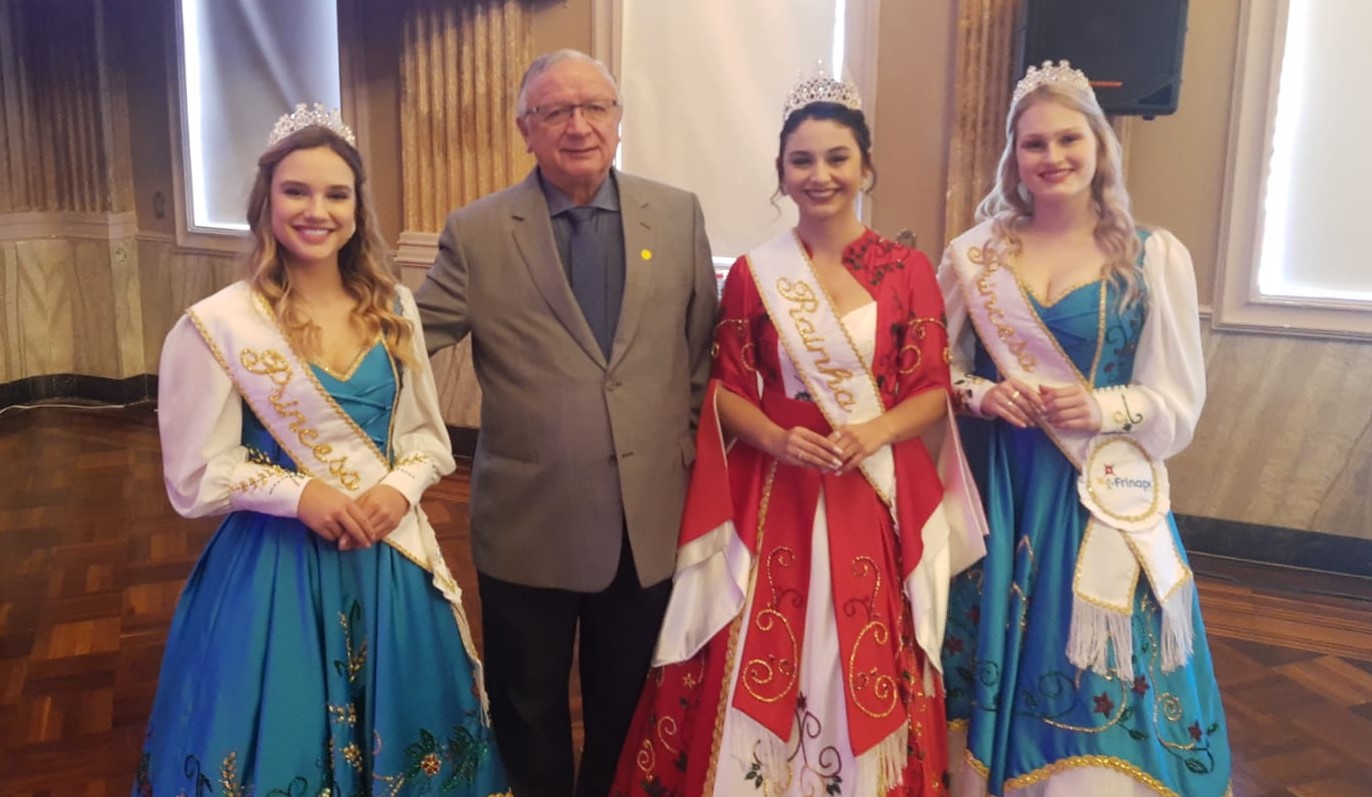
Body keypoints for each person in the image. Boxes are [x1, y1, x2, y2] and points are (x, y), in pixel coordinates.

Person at [609, 75, 986, 797]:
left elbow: (932, 390)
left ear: (866, 166)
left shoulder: (907, 270)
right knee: (759, 639)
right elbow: (724, 390)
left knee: (859, 638)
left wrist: (875, 431)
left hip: (869, 491)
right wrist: (778, 439)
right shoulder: (755, 273)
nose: (820, 175)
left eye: (837, 158)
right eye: (802, 160)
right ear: (781, 173)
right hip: (773, 490)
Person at [134, 105, 509, 797]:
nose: (317, 210)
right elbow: (196, 475)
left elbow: (425, 439)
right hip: (273, 571)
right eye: (296, 191)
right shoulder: (218, 325)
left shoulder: (395, 308)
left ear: (357, 208)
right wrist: (299, 493)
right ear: (266, 201)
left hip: (386, 558)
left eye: (336, 194)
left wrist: (398, 489)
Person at [413, 50, 718, 797]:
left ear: (618, 119)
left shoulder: (677, 214)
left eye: (594, 107)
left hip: (646, 521)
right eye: (555, 111)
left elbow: (700, 354)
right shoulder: (478, 231)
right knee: (527, 709)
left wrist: (675, 450)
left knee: (627, 707)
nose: (578, 125)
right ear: (526, 129)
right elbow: (406, 343)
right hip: (529, 524)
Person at [938, 62, 1232, 796]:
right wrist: (982, 394)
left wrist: (1104, 408)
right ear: (1013, 156)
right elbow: (930, 368)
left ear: (1100, 144)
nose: (1053, 156)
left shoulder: (1152, 254)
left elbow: (1178, 401)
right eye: (1034, 143)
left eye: (1069, 138)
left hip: (1103, 491)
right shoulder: (974, 255)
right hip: (1004, 491)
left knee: (1099, 675)